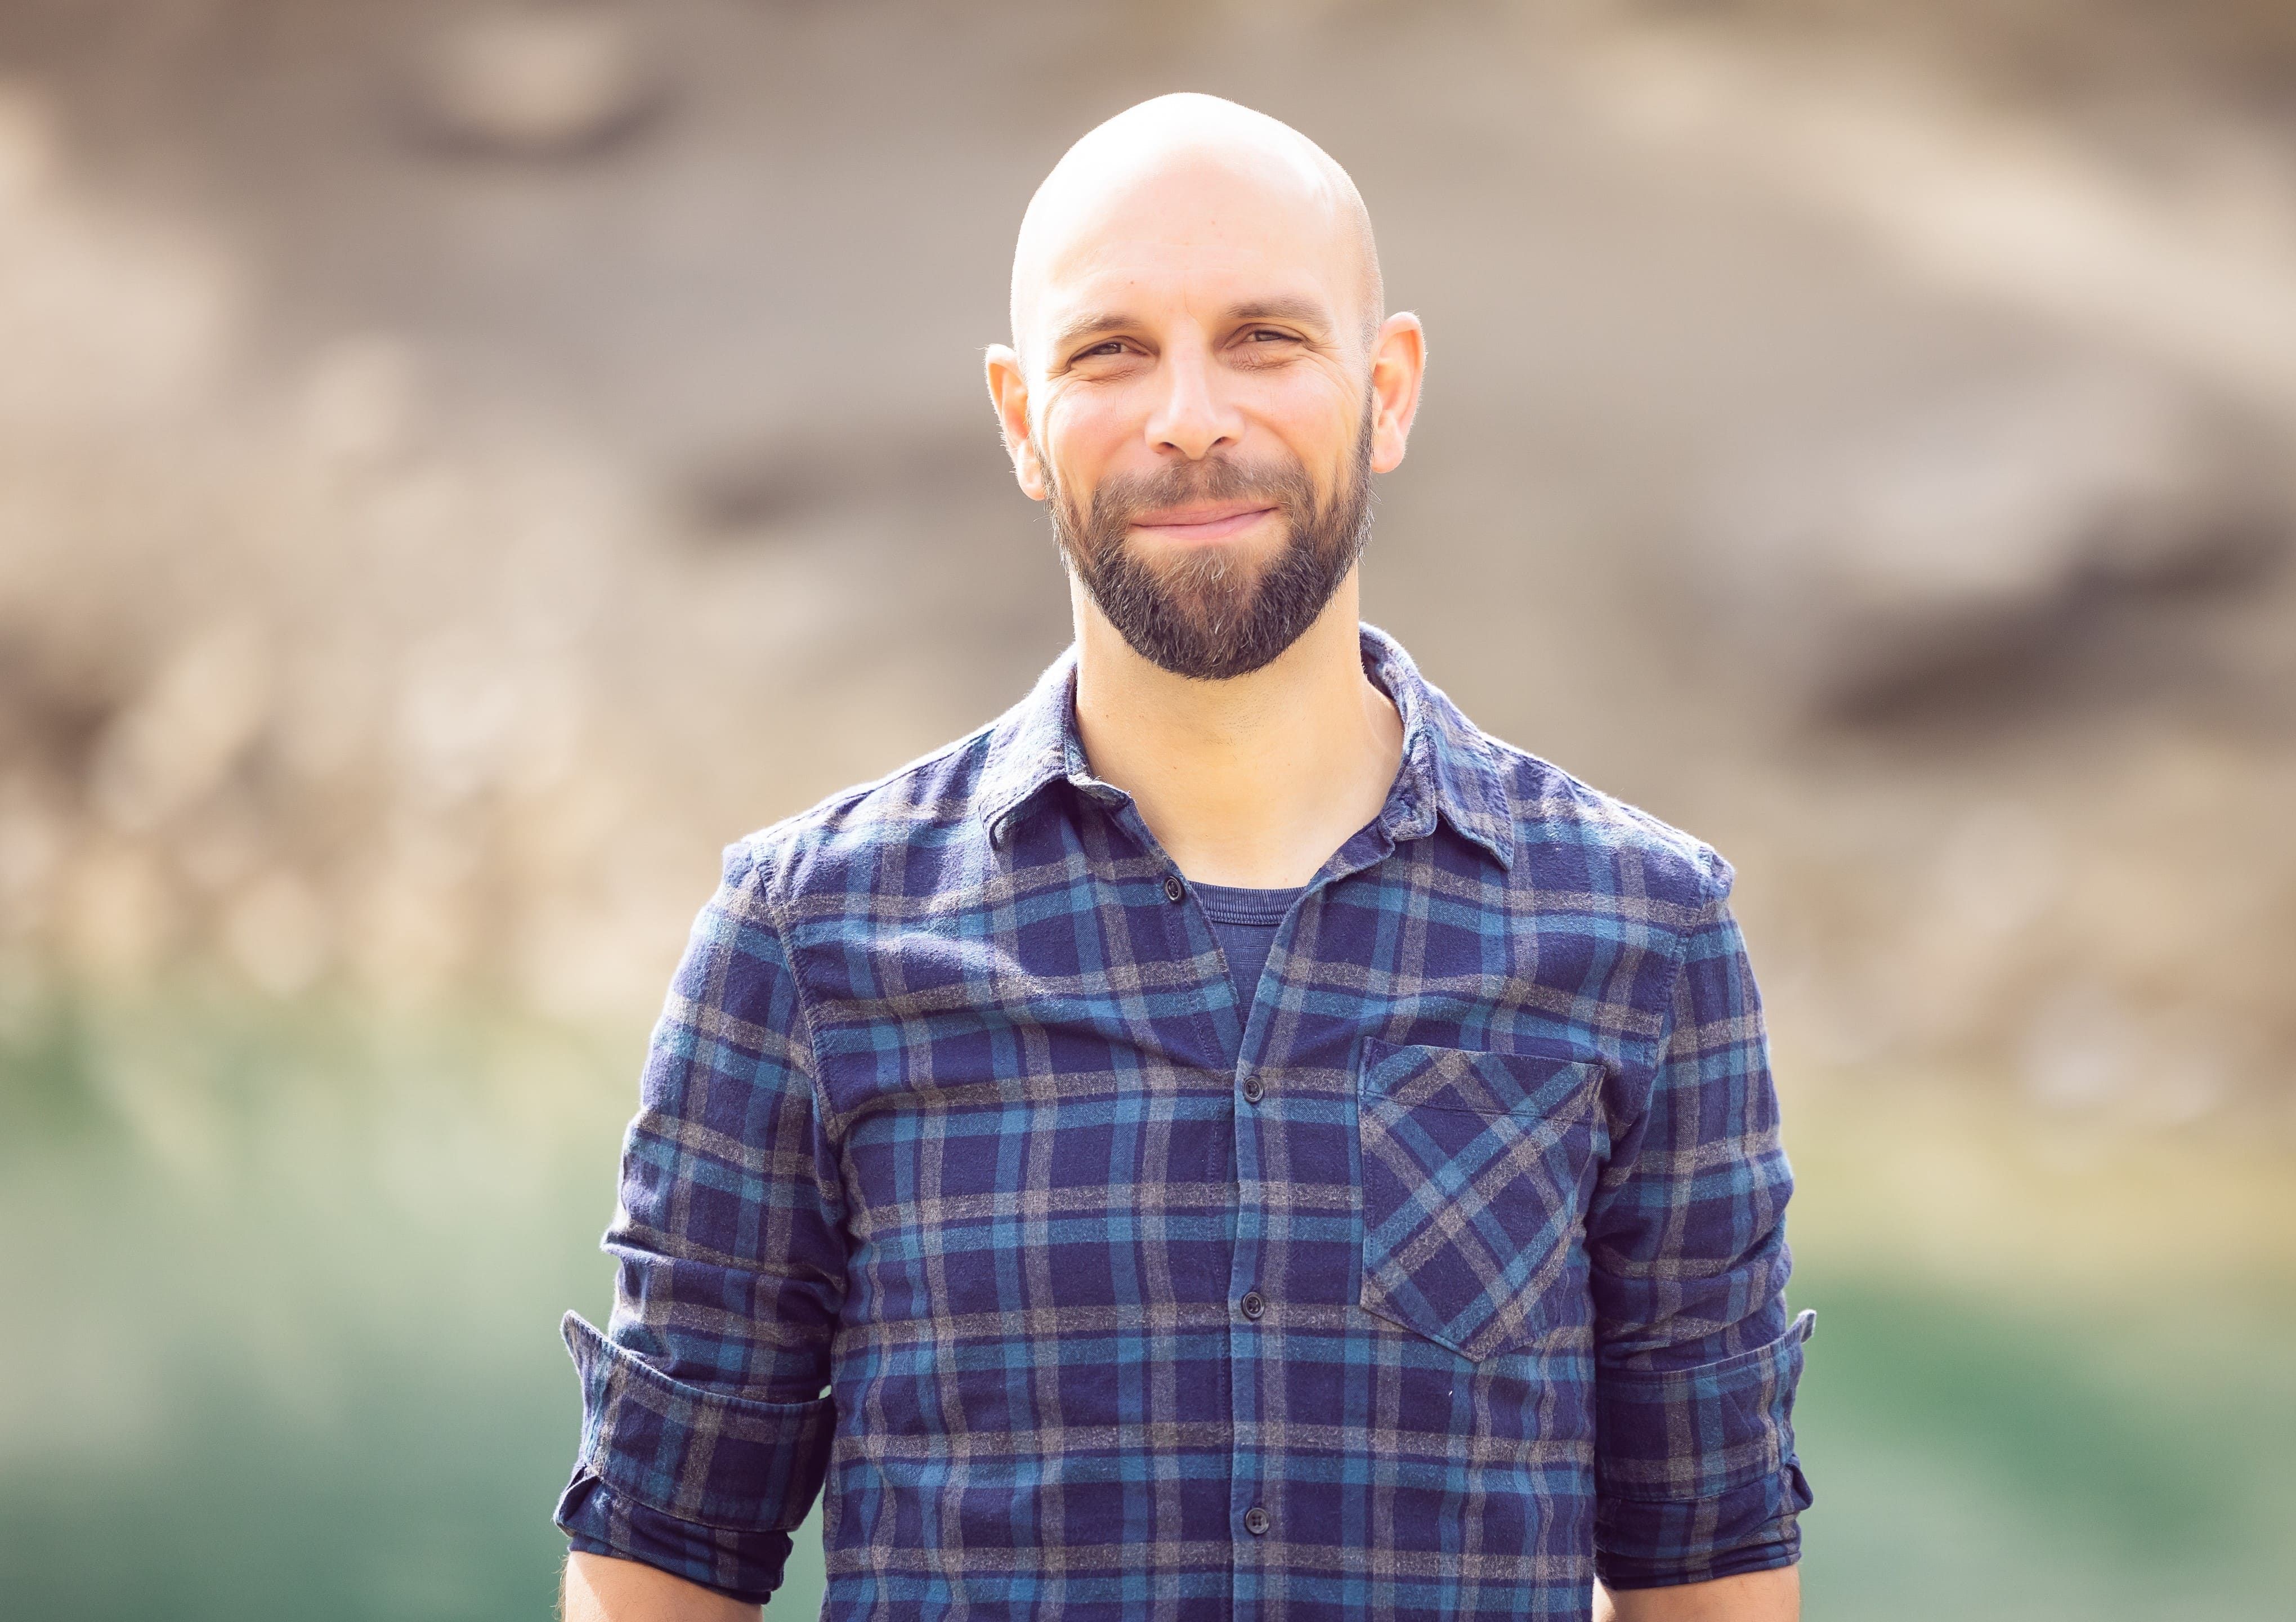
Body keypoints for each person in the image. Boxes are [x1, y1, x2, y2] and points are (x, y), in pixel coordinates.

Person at [554, 92, 1812, 1622]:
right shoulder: (804, 944)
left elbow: (1705, 1572)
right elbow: (660, 1564)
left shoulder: (1644, 937)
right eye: (1112, 351)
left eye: (1265, 339)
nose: (1191, 418)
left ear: (1387, 391)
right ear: (1021, 419)